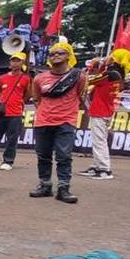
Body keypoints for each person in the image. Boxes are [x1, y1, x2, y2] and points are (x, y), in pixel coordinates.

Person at [29, 41, 84, 204]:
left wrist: (66, 112)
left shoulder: (79, 77)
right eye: (52, 54)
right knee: (43, 156)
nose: (56, 56)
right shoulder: (39, 78)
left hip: (66, 122)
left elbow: (81, 98)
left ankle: (63, 188)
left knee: (64, 156)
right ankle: (45, 185)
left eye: (60, 53)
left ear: (69, 56)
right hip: (43, 122)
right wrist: (45, 112)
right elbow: (36, 99)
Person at [80, 49, 130, 180]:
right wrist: (102, 65)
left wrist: (94, 66)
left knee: (99, 141)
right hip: (105, 110)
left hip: (100, 111)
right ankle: (97, 165)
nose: (108, 57)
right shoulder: (116, 74)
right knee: (99, 140)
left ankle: (104, 168)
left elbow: (89, 80)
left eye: (111, 55)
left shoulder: (110, 74)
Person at [0, 52, 31, 171]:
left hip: (15, 113)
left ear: (22, 63)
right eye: (13, 60)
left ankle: (8, 161)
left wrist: (19, 102)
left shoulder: (26, 79)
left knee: (12, 139)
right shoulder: (3, 78)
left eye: (18, 60)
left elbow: (28, 94)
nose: (15, 63)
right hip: (1, 112)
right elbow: (1, 92)